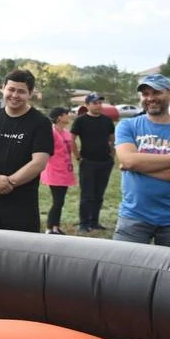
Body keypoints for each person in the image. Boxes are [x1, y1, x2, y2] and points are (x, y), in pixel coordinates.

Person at [113, 74, 170, 249]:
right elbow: (129, 160)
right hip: (134, 215)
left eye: (156, 92)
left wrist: (138, 165)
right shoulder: (127, 126)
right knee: (124, 272)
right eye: (145, 94)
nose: (150, 98)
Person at [0, 69, 53, 233]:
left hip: (22, 204)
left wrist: (6, 183)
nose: (15, 95)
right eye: (11, 89)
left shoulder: (40, 123)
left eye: (21, 91)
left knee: (21, 255)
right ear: (3, 88)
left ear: (30, 93)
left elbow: (39, 162)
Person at [71, 92, 115, 233]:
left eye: (100, 102)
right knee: (87, 195)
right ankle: (84, 223)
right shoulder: (81, 120)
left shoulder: (107, 120)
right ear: (87, 105)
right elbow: (72, 140)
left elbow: (112, 139)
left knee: (99, 195)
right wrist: (78, 157)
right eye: (95, 103)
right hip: (88, 162)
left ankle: (95, 222)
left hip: (105, 163)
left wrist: (112, 155)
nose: (98, 105)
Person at [39, 107, 76, 235]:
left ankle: (56, 226)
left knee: (61, 201)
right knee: (57, 201)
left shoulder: (66, 132)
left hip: (65, 170)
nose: (69, 116)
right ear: (59, 117)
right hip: (54, 171)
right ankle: (49, 228)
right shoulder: (51, 132)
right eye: (66, 114)